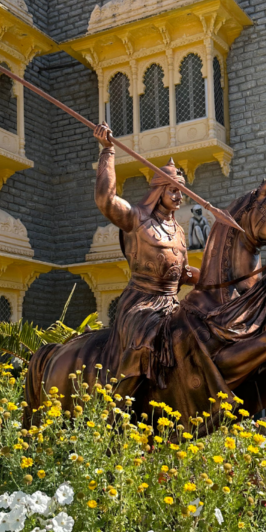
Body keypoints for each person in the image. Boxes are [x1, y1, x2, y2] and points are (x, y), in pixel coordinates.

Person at [92, 121, 198, 395]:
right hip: (141, 303)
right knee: (146, 335)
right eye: (173, 190)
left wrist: (218, 279)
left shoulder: (179, 231)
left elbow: (183, 273)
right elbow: (106, 199)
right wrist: (108, 151)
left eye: (181, 191)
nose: (178, 196)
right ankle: (122, 399)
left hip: (172, 302)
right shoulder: (136, 218)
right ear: (158, 190)